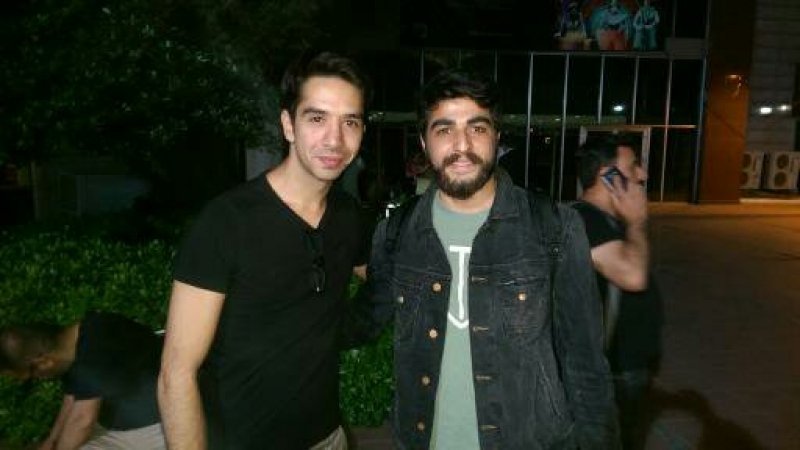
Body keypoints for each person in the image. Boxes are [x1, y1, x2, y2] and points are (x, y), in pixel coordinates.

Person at [349, 70, 618, 449]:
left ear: (496, 137)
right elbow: (360, 323)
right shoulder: (397, 232)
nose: (462, 145)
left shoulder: (554, 228)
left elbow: (586, 364)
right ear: (424, 142)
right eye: (444, 129)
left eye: (477, 128)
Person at [158, 51, 370, 449]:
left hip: (328, 437)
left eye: (350, 122)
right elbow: (176, 372)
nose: (335, 140)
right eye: (317, 118)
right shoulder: (227, 222)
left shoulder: (348, 216)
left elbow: (383, 278)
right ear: (288, 125)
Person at [573, 136, 663, 450]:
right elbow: (632, 276)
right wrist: (637, 222)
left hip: (626, 369)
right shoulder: (582, 221)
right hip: (612, 373)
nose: (643, 175)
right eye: (634, 166)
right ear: (608, 177)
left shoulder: (607, 221)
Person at [0, 312, 165, 449]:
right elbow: (71, 399)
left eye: (32, 376)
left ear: (44, 362)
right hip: (119, 422)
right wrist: (51, 441)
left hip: (157, 424)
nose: (38, 379)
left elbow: (82, 421)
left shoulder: (91, 360)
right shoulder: (86, 332)